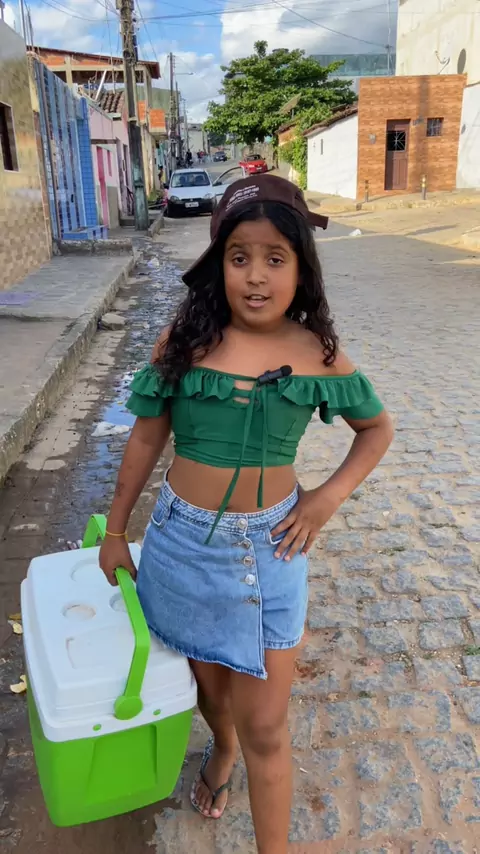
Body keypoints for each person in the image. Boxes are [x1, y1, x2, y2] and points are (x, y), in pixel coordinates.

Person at [99, 174, 393, 854]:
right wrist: (115, 531)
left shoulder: (318, 356)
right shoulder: (184, 341)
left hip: (271, 551)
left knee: (267, 725)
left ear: (301, 270)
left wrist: (324, 498)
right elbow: (145, 438)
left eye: (274, 258)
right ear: (219, 265)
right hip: (178, 544)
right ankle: (220, 748)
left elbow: (376, 429)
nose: (256, 276)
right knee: (208, 686)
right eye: (239, 257)